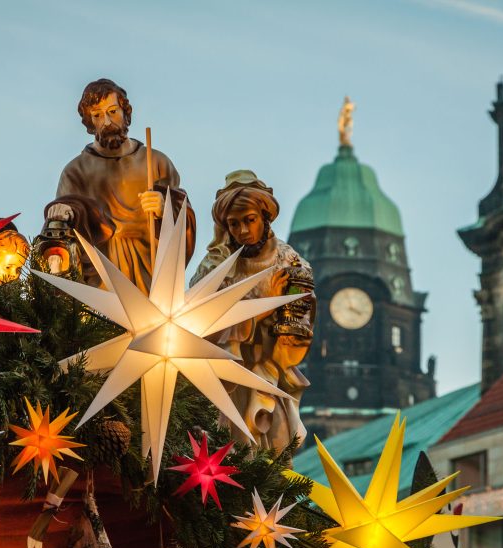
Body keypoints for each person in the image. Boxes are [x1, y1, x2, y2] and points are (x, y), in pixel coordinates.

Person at [190, 170, 315, 450]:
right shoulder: (215, 267)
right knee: (229, 448)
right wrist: (265, 304)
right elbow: (198, 325)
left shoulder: (289, 262)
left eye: (250, 221)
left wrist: (286, 316)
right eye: (234, 224)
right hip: (225, 379)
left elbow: (298, 330)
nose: (243, 231)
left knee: (273, 448)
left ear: (265, 218)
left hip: (268, 372)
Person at [45, 78, 195, 292]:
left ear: (126, 113)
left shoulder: (156, 162)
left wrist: (165, 209)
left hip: (150, 273)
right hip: (102, 276)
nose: (106, 121)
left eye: (113, 111)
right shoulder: (76, 171)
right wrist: (65, 211)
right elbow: (61, 226)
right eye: (97, 115)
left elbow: (184, 217)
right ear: (89, 122)